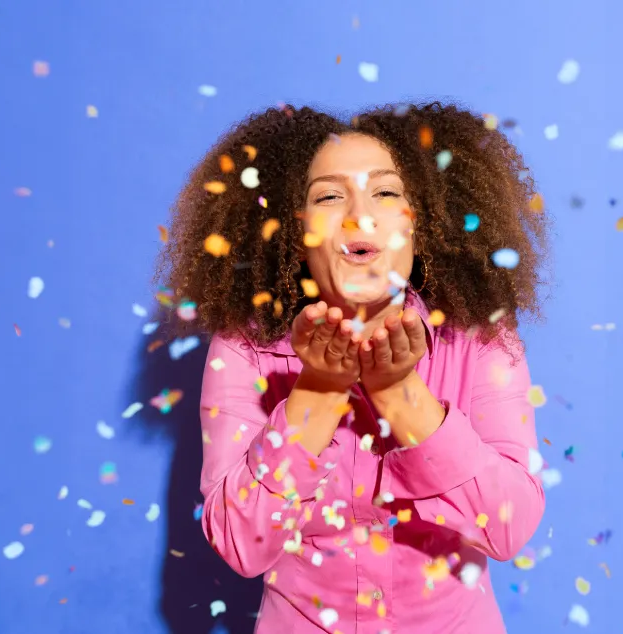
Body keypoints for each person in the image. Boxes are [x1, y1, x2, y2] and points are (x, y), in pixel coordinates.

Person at [157, 101, 549, 633]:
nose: (359, 214)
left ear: (423, 225)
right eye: (328, 195)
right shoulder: (243, 347)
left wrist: (398, 393)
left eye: (386, 193)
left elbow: (509, 527)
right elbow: (239, 543)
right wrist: (317, 392)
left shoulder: (481, 336)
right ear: (296, 236)